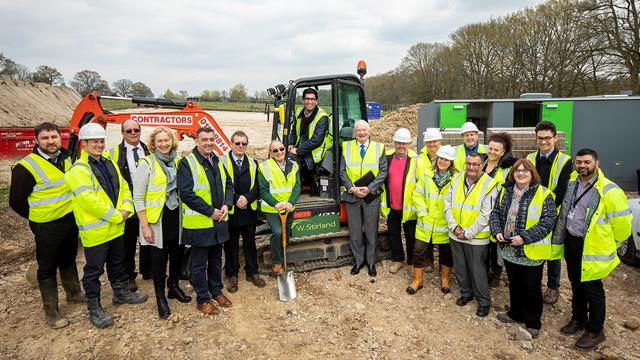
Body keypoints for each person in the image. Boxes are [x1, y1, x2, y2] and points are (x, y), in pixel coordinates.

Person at [65, 123, 148, 329]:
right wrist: (116, 216)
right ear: (84, 144)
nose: (99, 145)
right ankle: (94, 308)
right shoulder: (78, 170)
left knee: (117, 264)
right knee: (94, 271)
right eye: (94, 142)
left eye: (101, 141)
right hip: (97, 231)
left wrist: (126, 208)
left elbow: (124, 188)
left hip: (115, 226)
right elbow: (89, 200)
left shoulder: (109, 161)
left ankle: (120, 294)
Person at [553, 149, 631, 351]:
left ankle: (595, 330)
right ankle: (578, 318)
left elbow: (622, 226)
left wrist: (614, 245)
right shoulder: (573, 183)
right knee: (575, 283)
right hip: (573, 242)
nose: (582, 166)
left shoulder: (609, 191)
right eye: (579, 162)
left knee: (593, 289)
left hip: (593, 247)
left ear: (596, 162)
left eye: (587, 162)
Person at [9, 122, 84, 328]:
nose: (51, 141)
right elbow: (15, 201)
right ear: (37, 141)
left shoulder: (67, 157)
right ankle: (51, 311)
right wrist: (37, 217)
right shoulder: (26, 167)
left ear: (60, 138)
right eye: (45, 138)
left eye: (54, 137)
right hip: (46, 225)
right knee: (47, 266)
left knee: (68, 258)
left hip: (70, 220)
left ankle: (74, 293)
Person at [490, 159, 557, 339]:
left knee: (532, 287)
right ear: (512, 174)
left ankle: (533, 322)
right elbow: (495, 212)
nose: (521, 173)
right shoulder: (505, 191)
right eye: (517, 171)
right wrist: (496, 231)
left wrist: (524, 238)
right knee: (515, 283)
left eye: (525, 171)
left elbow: (548, 221)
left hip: (531, 250)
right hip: (509, 249)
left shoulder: (544, 194)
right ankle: (515, 313)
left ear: (532, 173)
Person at [133, 127, 191, 319]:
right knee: (158, 260)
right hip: (157, 220)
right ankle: (160, 297)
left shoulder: (177, 161)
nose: (164, 144)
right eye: (160, 141)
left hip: (176, 218)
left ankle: (173, 287)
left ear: (172, 141)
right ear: (153, 144)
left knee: (176, 254)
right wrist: (144, 225)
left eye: (167, 140)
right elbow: (138, 197)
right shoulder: (146, 163)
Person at [178, 127, 234, 315]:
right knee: (199, 264)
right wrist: (210, 211)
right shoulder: (187, 163)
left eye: (212, 139)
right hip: (200, 225)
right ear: (196, 141)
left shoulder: (217, 160)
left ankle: (216, 291)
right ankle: (202, 299)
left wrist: (227, 204)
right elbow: (186, 194)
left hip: (219, 222)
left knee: (216, 260)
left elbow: (228, 184)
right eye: (204, 140)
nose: (209, 143)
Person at [444, 152, 497, 317]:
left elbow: (486, 214)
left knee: (477, 270)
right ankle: (466, 293)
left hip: (476, 237)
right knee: (460, 267)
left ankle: (483, 301)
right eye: (468, 163)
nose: (471, 167)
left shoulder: (489, 185)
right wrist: (454, 227)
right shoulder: (457, 179)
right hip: (456, 234)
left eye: (475, 164)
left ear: (482, 166)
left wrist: (468, 233)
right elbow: (447, 203)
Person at [526, 121, 573, 305]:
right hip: (531, 212)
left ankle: (553, 286)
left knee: (553, 251)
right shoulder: (530, 158)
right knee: (534, 246)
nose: (543, 142)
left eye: (547, 138)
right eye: (540, 138)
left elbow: (562, 190)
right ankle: (534, 281)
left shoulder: (565, 161)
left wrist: (545, 209)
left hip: (554, 212)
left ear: (555, 138)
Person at [106, 119, 152, 291]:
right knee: (128, 242)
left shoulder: (148, 150)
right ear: (123, 133)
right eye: (129, 131)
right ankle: (129, 276)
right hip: (128, 204)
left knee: (148, 238)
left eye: (136, 130)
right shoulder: (114, 153)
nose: (133, 133)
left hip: (147, 203)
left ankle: (148, 270)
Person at [340, 120, 388, 277]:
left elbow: (383, 171)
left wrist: (370, 188)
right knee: (355, 232)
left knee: (371, 230)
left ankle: (371, 262)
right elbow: (342, 171)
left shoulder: (379, 148)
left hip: (371, 196)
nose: (361, 133)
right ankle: (358, 262)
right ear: (354, 133)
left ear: (369, 132)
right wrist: (352, 188)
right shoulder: (346, 147)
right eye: (358, 130)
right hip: (352, 195)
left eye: (364, 130)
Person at [408, 145, 457, 295]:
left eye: (446, 160)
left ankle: (445, 279)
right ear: (437, 159)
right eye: (441, 158)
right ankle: (418, 280)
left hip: (444, 224)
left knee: (446, 253)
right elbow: (417, 195)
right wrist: (422, 212)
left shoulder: (456, 179)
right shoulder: (426, 175)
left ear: (451, 163)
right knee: (418, 250)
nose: (443, 161)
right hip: (426, 222)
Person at [222, 131, 265, 291]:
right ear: (231, 144)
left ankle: (252, 271)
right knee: (231, 244)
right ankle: (232, 275)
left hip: (248, 209)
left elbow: (257, 186)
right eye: (237, 143)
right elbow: (221, 185)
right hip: (231, 210)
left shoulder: (253, 163)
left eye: (243, 144)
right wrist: (235, 199)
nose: (240, 146)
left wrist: (247, 198)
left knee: (249, 242)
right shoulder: (222, 162)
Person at [258, 140, 301, 275]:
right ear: (271, 153)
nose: (279, 152)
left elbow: (297, 187)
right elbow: (263, 190)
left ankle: (281, 258)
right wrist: (275, 203)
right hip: (272, 209)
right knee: (277, 232)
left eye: (281, 149)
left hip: (288, 207)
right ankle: (276, 262)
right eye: (275, 150)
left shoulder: (294, 166)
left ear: (285, 150)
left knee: (286, 235)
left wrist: (291, 203)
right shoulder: (264, 167)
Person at [380, 128, 418, 274]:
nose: (401, 146)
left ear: (408, 144)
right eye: (399, 143)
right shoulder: (387, 157)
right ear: (394, 142)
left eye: (404, 143)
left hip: (408, 206)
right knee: (393, 233)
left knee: (410, 235)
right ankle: (398, 259)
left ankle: (411, 263)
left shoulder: (415, 159)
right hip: (391, 205)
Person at [483, 132, 517, 288]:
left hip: (499, 211)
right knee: (484, 244)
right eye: (490, 148)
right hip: (482, 210)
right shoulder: (483, 163)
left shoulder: (507, 168)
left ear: (503, 152)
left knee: (497, 244)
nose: (492, 152)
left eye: (496, 150)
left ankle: (496, 274)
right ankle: (485, 271)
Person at [288, 88, 332, 195]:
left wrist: (297, 150)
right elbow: (294, 131)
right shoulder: (299, 112)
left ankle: (295, 190)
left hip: (314, 152)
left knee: (290, 159)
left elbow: (316, 140)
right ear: (303, 100)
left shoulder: (322, 117)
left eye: (312, 99)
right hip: (302, 147)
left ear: (316, 101)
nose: (310, 102)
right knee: (284, 154)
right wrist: (290, 144)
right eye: (307, 99)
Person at [415, 127, 443, 271]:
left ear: (440, 142)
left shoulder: (447, 156)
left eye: (435, 142)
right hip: (426, 200)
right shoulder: (419, 159)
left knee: (443, 236)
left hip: (441, 202)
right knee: (427, 234)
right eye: (429, 142)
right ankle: (429, 261)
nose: (432, 144)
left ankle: (444, 267)